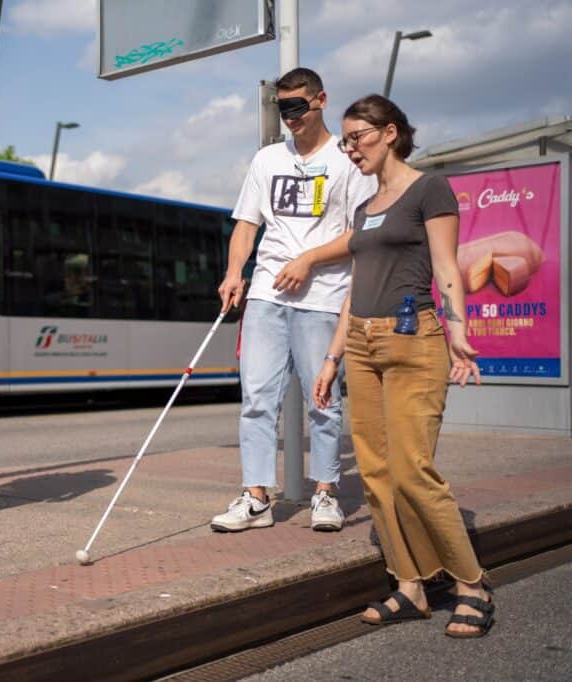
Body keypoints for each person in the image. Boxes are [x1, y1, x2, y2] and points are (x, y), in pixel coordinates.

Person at [313, 95, 493, 638]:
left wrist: (459, 331)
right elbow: (355, 287)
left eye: (357, 138)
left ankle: (471, 585)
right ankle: (410, 584)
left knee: (413, 469)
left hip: (413, 340)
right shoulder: (366, 207)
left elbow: (446, 265)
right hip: (363, 347)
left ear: (389, 132)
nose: (350, 150)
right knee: (375, 472)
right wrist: (332, 357)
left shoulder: (429, 189)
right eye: (344, 141)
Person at [211, 68, 377, 533]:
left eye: (298, 107)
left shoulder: (347, 162)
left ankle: (325, 492)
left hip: (323, 297)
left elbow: (360, 233)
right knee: (257, 398)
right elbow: (246, 223)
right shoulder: (266, 160)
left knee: (322, 398)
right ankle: (257, 496)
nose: (290, 118)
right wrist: (233, 272)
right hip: (266, 293)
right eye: (282, 109)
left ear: (320, 100)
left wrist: (308, 260)